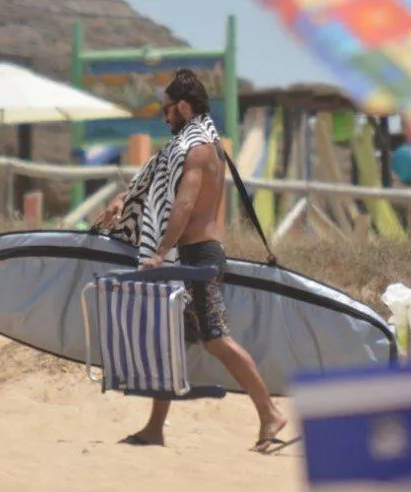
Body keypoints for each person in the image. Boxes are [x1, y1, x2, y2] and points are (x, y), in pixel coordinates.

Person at [97, 69, 287, 453]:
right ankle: (154, 428)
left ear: (184, 107)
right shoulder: (190, 144)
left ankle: (269, 413)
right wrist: (125, 197)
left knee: (216, 337)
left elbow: (183, 204)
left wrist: (157, 252)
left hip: (198, 257)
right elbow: (156, 179)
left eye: (167, 110)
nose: (163, 117)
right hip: (188, 255)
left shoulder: (199, 149)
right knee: (171, 341)